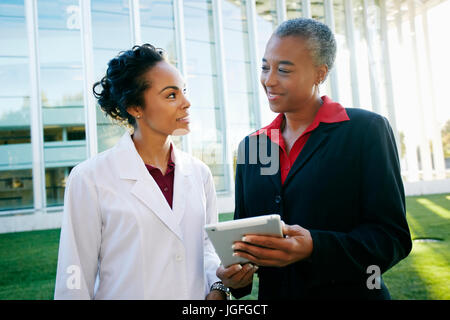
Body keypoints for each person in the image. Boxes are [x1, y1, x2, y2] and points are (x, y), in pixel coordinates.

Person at [216, 18, 412, 300]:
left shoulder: (365, 131)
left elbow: (391, 238)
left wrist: (315, 247)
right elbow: (243, 243)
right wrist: (235, 278)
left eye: (284, 69)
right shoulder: (252, 146)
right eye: (265, 67)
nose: (269, 80)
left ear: (320, 74)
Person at [54, 44, 227, 300]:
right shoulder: (90, 178)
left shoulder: (199, 173)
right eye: (171, 95)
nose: (186, 103)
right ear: (136, 108)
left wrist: (218, 288)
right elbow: (74, 277)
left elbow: (207, 248)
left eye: (184, 92)